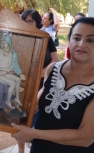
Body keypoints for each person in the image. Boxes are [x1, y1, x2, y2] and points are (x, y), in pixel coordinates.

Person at [11, 18, 94, 153]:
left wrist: (34, 134)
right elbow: (38, 103)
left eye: (90, 40)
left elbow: (85, 137)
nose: (81, 44)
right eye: (76, 38)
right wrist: (6, 112)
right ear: (70, 41)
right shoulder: (53, 69)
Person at [17, 9, 59, 153]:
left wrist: (42, 73)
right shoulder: (19, 38)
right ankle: (21, 150)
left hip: (41, 85)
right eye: (25, 21)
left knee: (39, 119)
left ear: (37, 22)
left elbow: (55, 59)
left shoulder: (46, 37)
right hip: (22, 84)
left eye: (30, 21)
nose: (27, 24)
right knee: (21, 120)